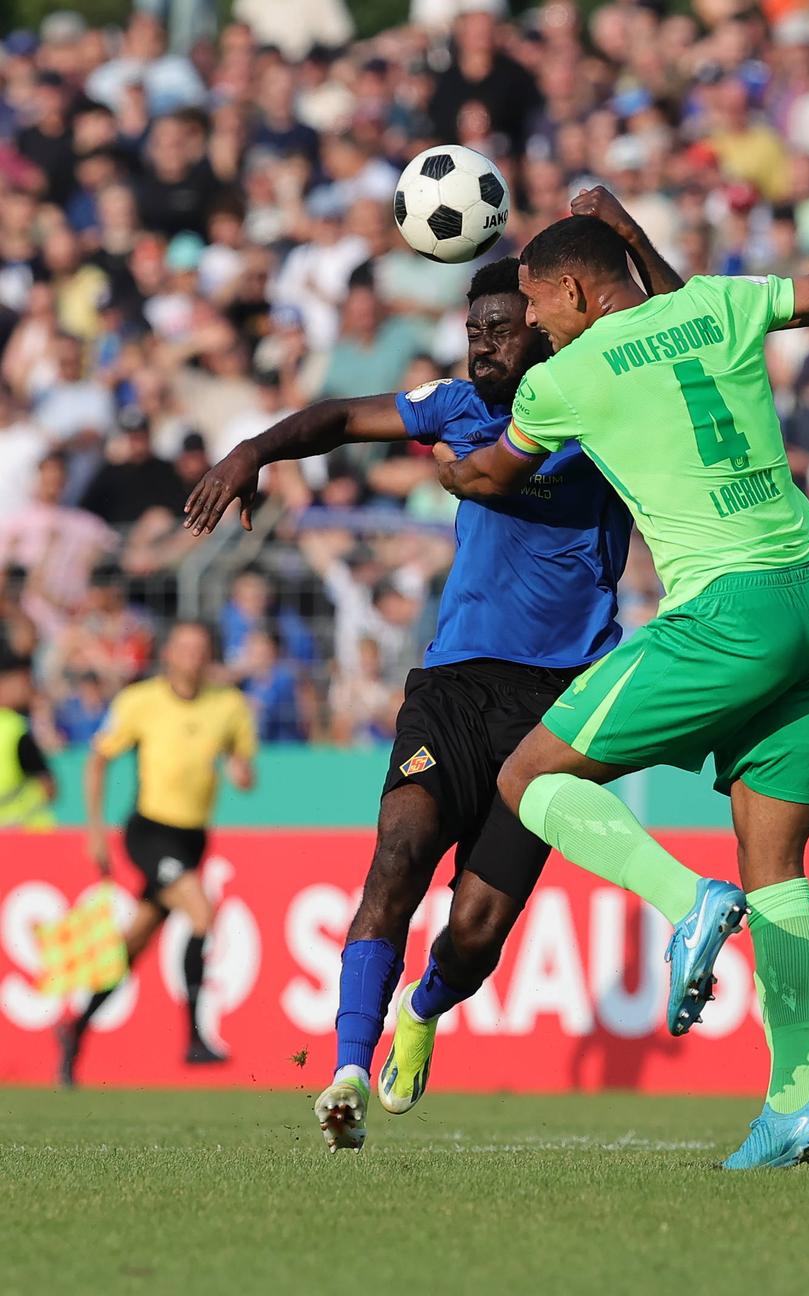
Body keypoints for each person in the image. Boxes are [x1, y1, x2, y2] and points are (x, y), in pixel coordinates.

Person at [183, 193, 678, 1153]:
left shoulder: (599, 403)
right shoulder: (453, 405)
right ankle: (345, 1073)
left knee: (478, 934)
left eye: (500, 330)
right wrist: (253, 450)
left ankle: (425, 1004)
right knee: (397, 856)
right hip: (452, 684)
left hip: (558, 700)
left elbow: (667, 332)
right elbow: (336, 417)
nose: (484, 346)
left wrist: (628, 242)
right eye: (473, 331)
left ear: (545, 329)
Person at [433, 215, 809, 1171]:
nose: (540, 327)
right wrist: (636, 231)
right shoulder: (714, 303)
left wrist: (451, 470)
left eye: (545, 307)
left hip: (728, 614)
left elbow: (496, 473)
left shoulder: (567, 375)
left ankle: (684, 901)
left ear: (583, 294)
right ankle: (794, 1103)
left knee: (531, 778)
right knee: (781, 872)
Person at [56, 622, 257, 1085]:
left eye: (199, 648)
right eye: (183, 647)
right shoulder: (140, 701)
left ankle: (74, 1031)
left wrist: (241, 771)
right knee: (202, 913)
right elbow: (97, 757)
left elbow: (243, 767)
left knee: (135, 943)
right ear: (169, 653)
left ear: (209, 656)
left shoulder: (227, 706)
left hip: (191, 839)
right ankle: (194, 1038)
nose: (190, 656)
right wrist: (93, 831)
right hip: (149, 832)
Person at [0, 653, 55, 829]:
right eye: (23, 682)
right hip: (23, 833)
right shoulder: (14, 728)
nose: (27, 689)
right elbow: (49, 788)